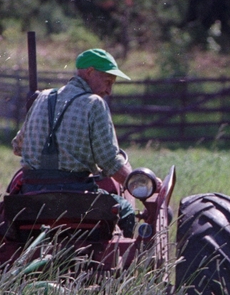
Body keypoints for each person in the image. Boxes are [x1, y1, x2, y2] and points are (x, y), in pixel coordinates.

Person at [11, 48, 137, 236]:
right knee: (125, 210)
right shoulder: (94, 104)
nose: (109, 91)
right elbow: (110, 162)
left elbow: (18, 146)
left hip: (30, 201)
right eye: (108, 82)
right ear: (90, 72)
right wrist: (138, 182)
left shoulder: (42, 98)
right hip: (77, 200)